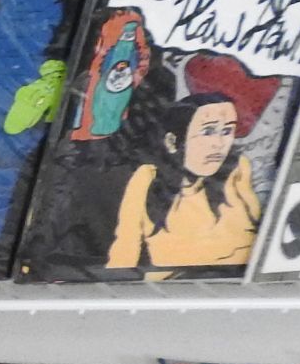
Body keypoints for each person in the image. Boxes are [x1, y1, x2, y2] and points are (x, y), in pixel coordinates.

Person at [106, 92, 262, 277]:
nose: (219, 144)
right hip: (175, 285)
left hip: (240, 282)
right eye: (208, 132)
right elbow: (125, 247)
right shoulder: (148, 177)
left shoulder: (238, 168)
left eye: (227, 131)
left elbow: (263, 230)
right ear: (172, 141)